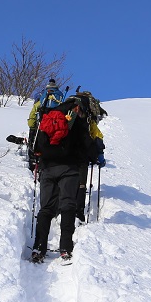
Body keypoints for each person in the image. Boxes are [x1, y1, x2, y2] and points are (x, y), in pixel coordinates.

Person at [30, 96, 103, 262]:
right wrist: (94, 156)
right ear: (78, 108)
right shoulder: (77, 121)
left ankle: (38, 248)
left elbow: (36, 145)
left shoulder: (49, 115)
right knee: (68, 206)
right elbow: (86, 145)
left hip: (47, 168)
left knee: (46, 208)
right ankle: (65, 248)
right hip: (69, 169)